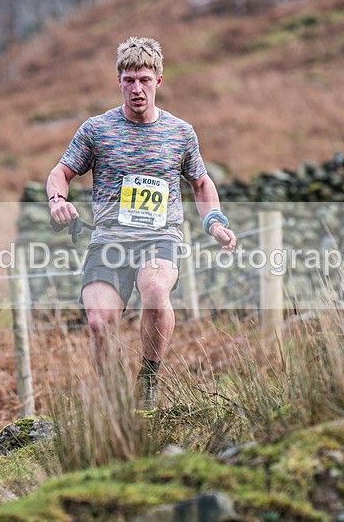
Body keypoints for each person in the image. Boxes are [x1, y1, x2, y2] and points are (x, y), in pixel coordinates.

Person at [46, 36, 236, 410]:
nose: (137, 89)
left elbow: (201, 184)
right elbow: (60, 173)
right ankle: (114, 401)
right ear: (118, 81)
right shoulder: (97, 130)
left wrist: (214, 222)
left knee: (155, 290)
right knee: (99, 323)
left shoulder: (180, 133)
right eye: (129, 80)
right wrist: (57, 201)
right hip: (109, 240)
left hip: (159, 237)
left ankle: (148, 378)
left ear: (158, 81)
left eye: (145, 80)